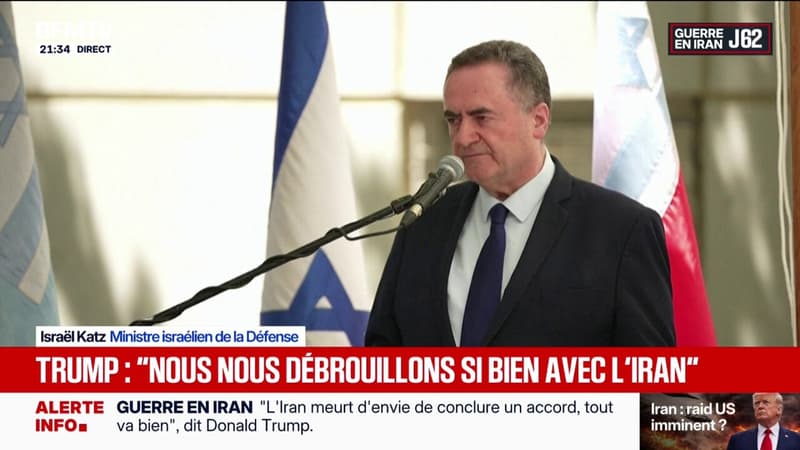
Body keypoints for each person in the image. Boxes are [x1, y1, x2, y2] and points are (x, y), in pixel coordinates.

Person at [365, 39, 675, 346]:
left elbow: (650, 372)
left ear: (538, 120)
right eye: (453, 120)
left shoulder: (621, 231)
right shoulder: (423, 220)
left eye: (481, 117)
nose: (463, 137)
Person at [727, 393, 800, 450]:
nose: (760, 406)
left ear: (779, 409)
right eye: (757, 403)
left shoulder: (797, 440)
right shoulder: (737, 440)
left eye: (765, 402)